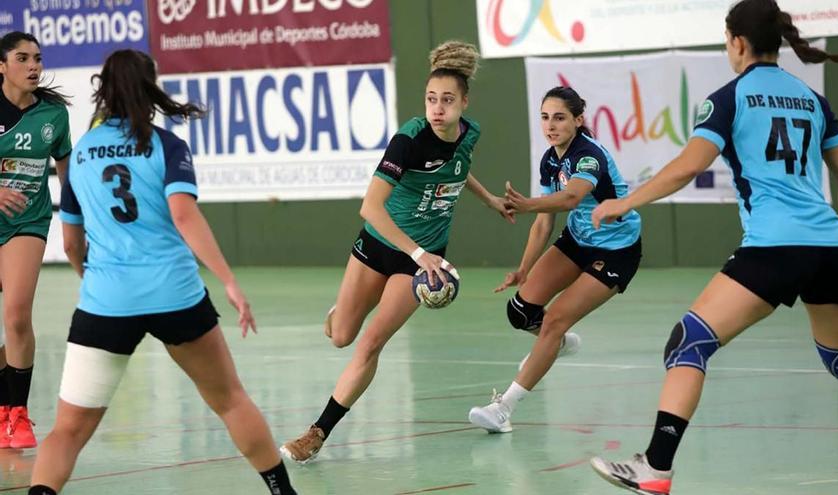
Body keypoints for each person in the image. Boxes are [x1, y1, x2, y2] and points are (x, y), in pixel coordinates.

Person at [589, 1, 838, 493]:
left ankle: (656, 469)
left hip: (775, 247)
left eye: (727, 40)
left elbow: (687, 166)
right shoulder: (812, 99)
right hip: (828, 246)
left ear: (737, 43)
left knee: (690, 341)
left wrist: (624, 202)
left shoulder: (731, 96)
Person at [28, 50, 297, 495]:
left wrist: (91, 277)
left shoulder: (80, 157)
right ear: (151, 87)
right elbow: (184, 216)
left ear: (103, 89)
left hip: (106, 303)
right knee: (231, 401)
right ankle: (282, 492)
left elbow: (72, 242)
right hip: (176, 296)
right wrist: (228, 281)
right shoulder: (167, 146)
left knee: (67, 432)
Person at [280, 40, 512, 463]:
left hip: (419, 265)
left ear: (464, 102)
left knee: (369, 344)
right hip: (380, 244)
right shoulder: (409, 140)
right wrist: (419, 251)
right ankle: (340, 312)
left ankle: (317, 433)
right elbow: (370, 207)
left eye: (446, 100)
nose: (437, 108)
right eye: (430, 99)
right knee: (342, 336)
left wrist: (491, 200)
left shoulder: (470, 133)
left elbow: (458, 170)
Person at [467, 86, 642, 433]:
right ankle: (558, 343)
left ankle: (503, 409)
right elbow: (544, 222)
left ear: (578, 120)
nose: (551, 125)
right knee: (520, 311)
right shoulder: (550, 157)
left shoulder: (588, 155)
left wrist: (527, 203)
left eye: (560, 117)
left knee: (553, 321)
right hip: (578, 240)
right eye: (545, 117)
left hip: (616, 250)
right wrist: (524, 269)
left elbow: (570, 199)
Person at [0, 31, 72, 450]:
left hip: (27, 221)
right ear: (2, 66)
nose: (33, 66)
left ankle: (19, 414)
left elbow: (67, 172)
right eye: (23, 58)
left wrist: (76, 222)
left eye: (38, 59)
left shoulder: (53, 114)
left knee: (15, 313)